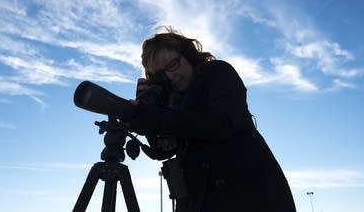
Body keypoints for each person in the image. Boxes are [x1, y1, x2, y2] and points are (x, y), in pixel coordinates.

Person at [125, 26, 296, 212]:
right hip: (199, 200)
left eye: (172, 65)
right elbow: (163, 149)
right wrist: (148, 108)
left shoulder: (219, 73)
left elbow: (220, 124)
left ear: (188, 55)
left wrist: (158, 117)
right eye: (160, 75)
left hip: (253, 196)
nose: (170, 76)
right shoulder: (172, 103)